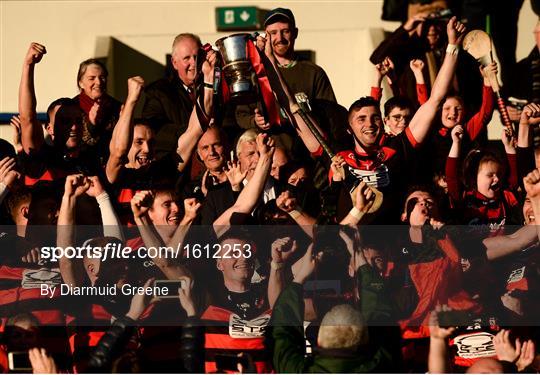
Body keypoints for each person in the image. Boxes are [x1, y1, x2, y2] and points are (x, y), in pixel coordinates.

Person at [142, 33, 211, 161]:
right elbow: (154, 127)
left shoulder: (214, 86)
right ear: (174, 63)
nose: (193, 63)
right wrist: (193, 130)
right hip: (178, 163)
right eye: (187, 58)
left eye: (197, 57)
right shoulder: (159, 92)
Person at [74, 58, 121, 164]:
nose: (98, 82)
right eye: (92, 78)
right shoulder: (71, 107)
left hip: (111, 167)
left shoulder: (117, 107)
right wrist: (91, 125)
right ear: (81, 83)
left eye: (102, 77)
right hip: (79, 166)